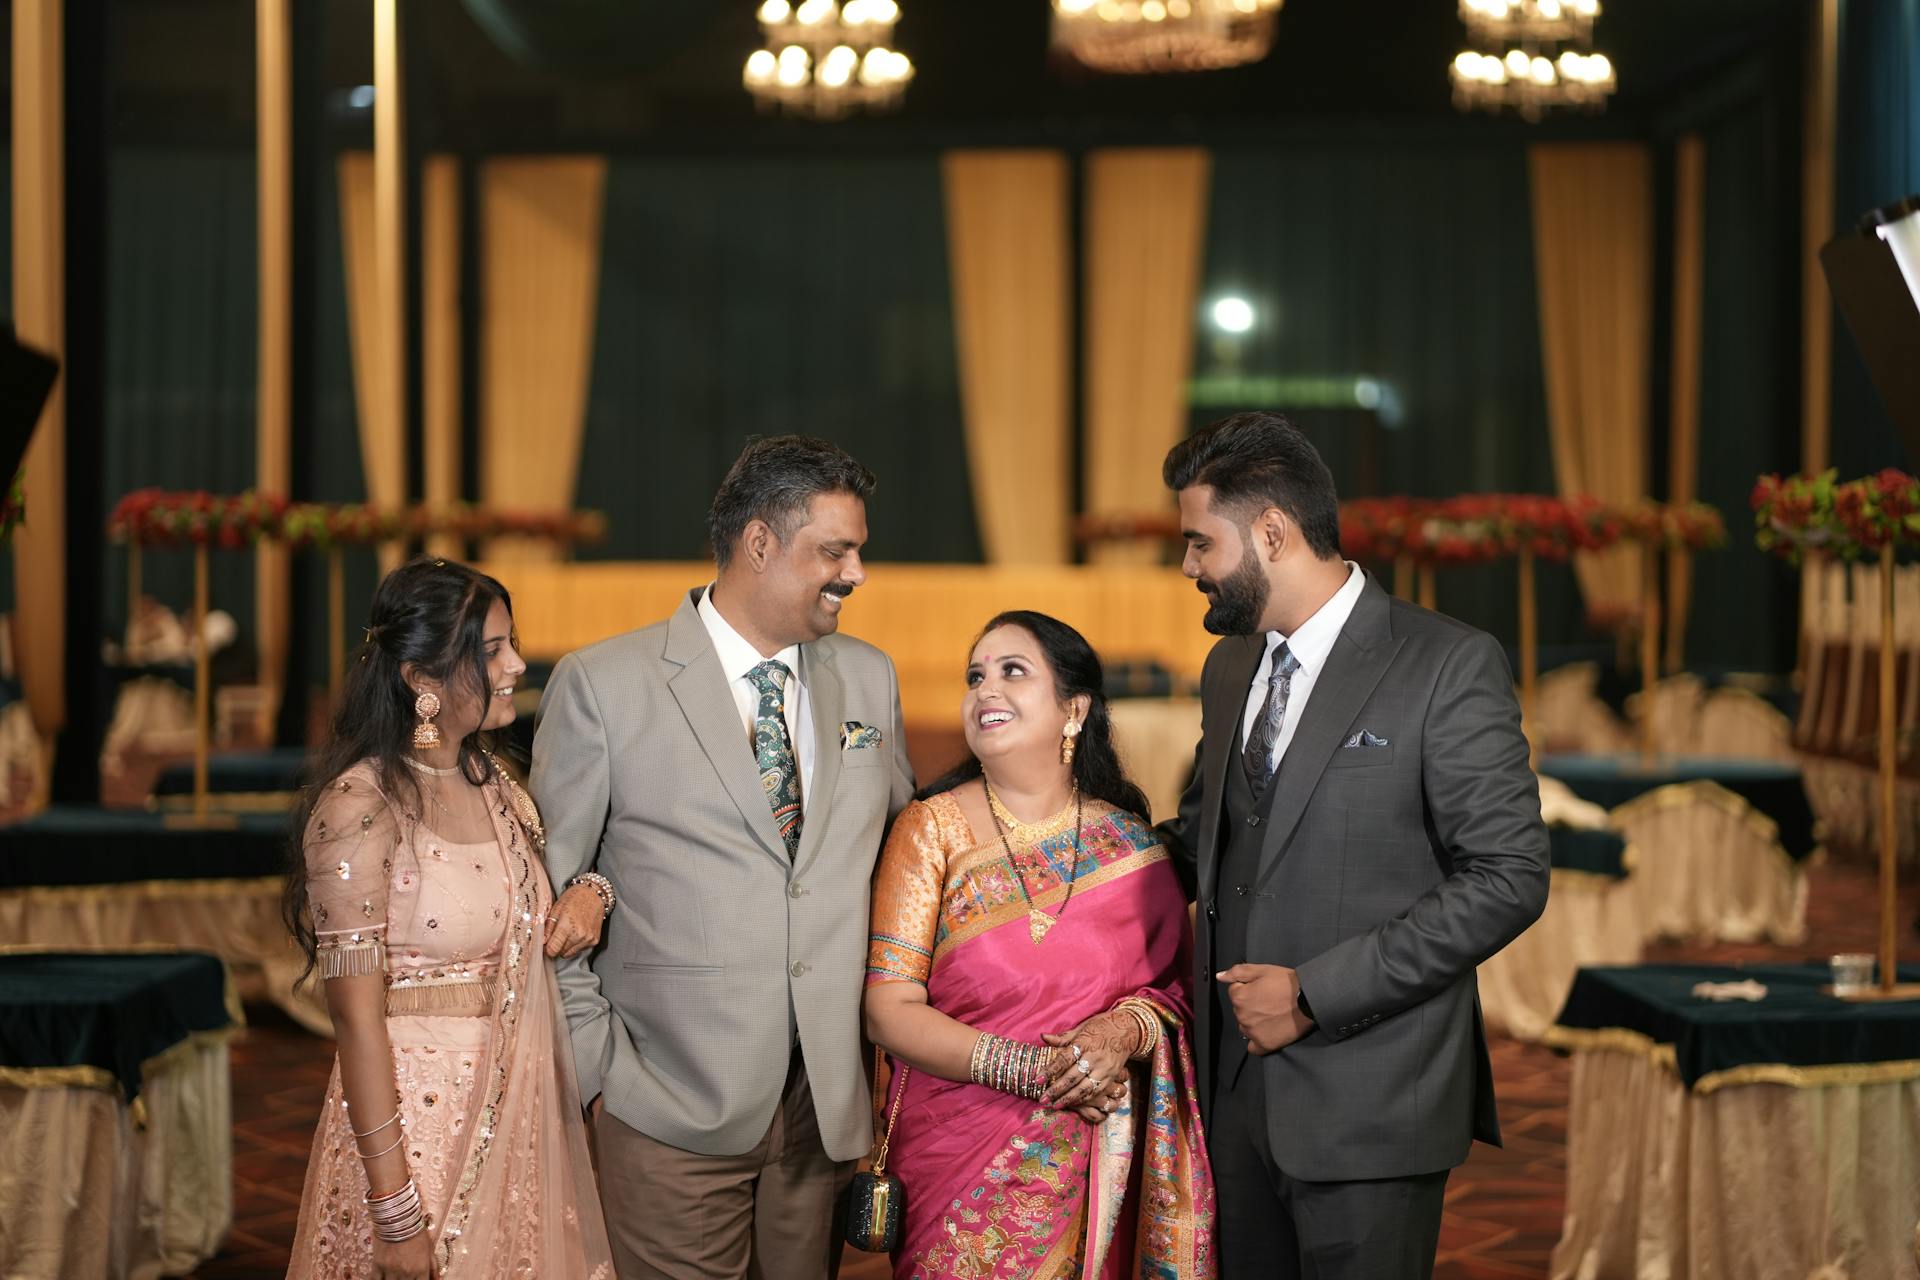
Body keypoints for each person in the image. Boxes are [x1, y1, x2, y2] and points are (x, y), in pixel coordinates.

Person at [1157, 413, 1549, 1280]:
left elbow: (1510, 876)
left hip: (1374, 1099)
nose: (1188, 567)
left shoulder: (1446, 663)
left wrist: (1315, 993)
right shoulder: (1230, 670)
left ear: (1272, 532)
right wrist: (1058, 865)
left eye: (1198, 542)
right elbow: (1200, 839)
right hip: (1231, 1102)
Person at [532, 435, 916, 1280]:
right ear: (759, 544)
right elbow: (546, 901)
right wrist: (606, 1076)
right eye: (835, 551)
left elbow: (903, 862)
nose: (855, 573)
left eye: (857, 551)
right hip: (664, 1104)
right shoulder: (604, 684)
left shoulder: (869, 677)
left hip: (824, 1107)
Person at [286, 557, 614, 1280]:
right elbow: (356, 1021)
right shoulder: (359, 808)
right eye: (492, 652)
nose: (518, 665)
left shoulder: (497, 784)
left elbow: (539, 908)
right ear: (422, 680)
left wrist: (594, 889)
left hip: (518, 1117)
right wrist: (394, 1206)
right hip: (416, 1137)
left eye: (512, 644)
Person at [864, 610, 1215, 1280]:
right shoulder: (930, 831)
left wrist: (1120, 1032)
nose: (985, 690)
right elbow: (889, 1008)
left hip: (1093, 1151)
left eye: (1012, 672)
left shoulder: (1133, 850)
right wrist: (1031, 1070)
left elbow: (1173, 1000)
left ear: (1074, 710)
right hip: (957, 1157)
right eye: (976, 676)